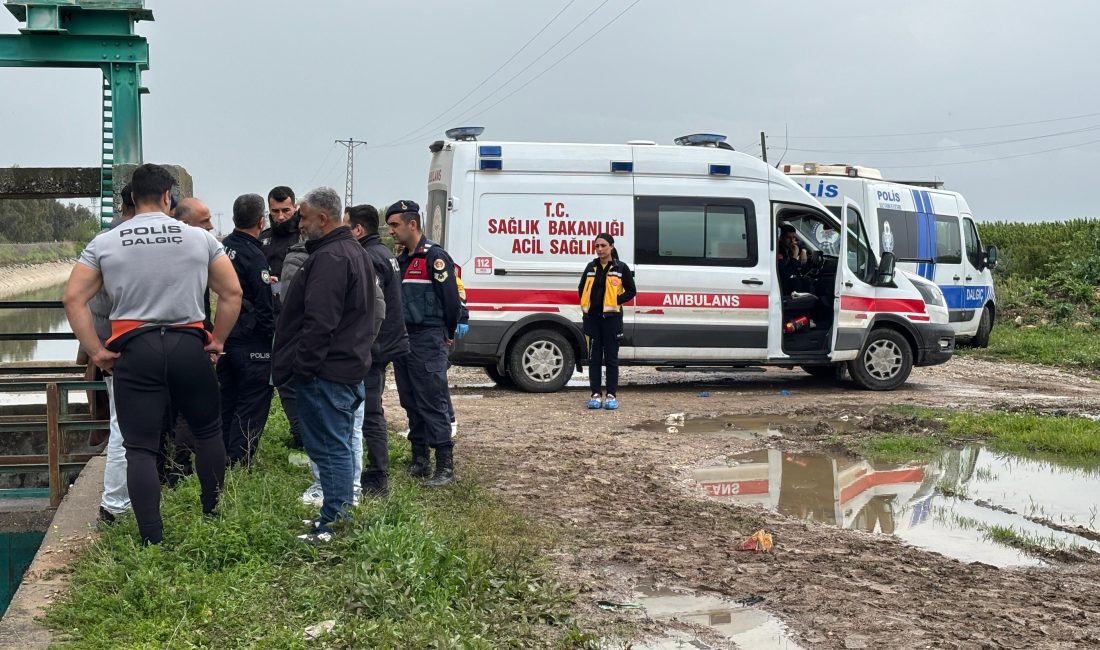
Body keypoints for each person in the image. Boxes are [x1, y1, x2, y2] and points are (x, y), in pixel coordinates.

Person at [63, 163, 242, 545]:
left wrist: (96, 351)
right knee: (208, 431)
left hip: (136, 348)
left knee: (140, 448)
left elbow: (73, 299)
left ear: (132, 197)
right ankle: (212, 512)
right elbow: (232, 293)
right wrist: (218, 340)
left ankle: (151, 539)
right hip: (187, 344)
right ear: (166, 197)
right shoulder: (200, 238)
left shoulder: (105, 242)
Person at [272, 187, 376, 543]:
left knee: (330, 449)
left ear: (322, 218)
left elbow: (320, 323)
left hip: (326, 373)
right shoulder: (351, 251)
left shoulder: (331, 258)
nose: (298, 224)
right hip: (343, 368)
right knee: (338, 446)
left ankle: (334, 523)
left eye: (302, 216)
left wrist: (304, 367)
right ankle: (335, 513)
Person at [386, 200, 461, 487]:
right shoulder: (402, 259)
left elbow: (451, 301)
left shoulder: (435, 257)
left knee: (432, 401)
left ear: (412, 224)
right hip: (404, 339)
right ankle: (420, 459)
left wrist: (447, 332)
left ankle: (444, 465)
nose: (391, 231)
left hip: (428, 338)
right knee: (410, 400)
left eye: (395, 225)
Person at [348, 204, 409, 496]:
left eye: (346, 227)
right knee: (371, 407)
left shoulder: (369, 257)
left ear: (359, 229)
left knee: (370, 411)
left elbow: (372, 308)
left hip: (374, 347)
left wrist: (360, 345)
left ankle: (377, 475)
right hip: (385, 344)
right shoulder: (384, 252)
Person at [219, 194, 276, 466]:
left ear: (233, 218)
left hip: (226, 336)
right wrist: (271, 337)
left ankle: (220, 454)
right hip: (252, 341)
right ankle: (239, 460)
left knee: (227, 399)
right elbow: (264, 306)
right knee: (252, 402)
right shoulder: (254, 255)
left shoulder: (224, 247)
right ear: (261, 221)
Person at [92, 183, 136, 526]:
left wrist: (97, 349)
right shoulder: (124, 242)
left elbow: (80, 300)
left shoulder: (102, 241)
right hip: (128, 349)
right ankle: (116, 504)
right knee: (125, 427)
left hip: (112, 349)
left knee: (122, 424)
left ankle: (120, 502)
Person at [261, 186, 305, 452]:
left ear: (295, 208)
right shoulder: (264, 239)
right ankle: (298, 432)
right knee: (280, 380)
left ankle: (304, 435)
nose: (280, 217)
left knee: (298, 379)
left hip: (299, 319)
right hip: (269, 317)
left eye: (286, 210)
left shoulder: (305, 236)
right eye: (275, 211)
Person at [578, 232, 636, 410]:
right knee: (594, 359)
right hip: (592, 320)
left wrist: (615, 301)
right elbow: (581, 288)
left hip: (612, 321)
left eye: (603, 245)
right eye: (597, 246)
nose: (599, 249)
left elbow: (631, 291)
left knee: (611, 359)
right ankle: (595, 394)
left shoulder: (621, 268)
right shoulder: (590, 267)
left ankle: (611, 395)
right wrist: (589, 306)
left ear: (611, 246)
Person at [777, 223, 810, 296]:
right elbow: (785, 275)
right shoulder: (777, 250)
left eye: (794, 238)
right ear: (781, 238)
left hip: (791, 279)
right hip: (780, 284)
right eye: (788, 238)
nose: (792, 241)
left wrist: (804, 251)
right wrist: (795, 256)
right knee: (796, 282)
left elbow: (801, 243)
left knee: (807, 281)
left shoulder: (791, 246)